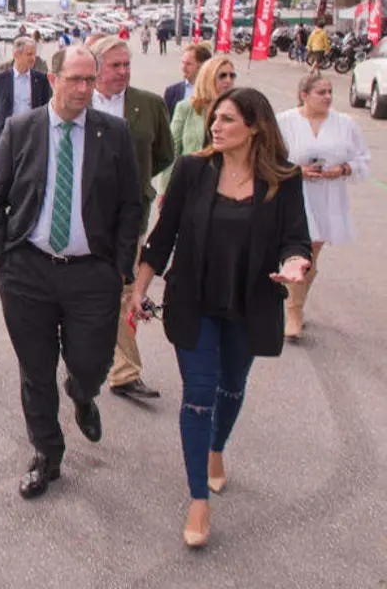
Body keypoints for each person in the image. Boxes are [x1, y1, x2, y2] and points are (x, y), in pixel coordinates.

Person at [128, 87, 312, 548]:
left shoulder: (283, 180)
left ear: (254, 126)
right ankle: (198, 502)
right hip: (194, 301)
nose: (216, 126)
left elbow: (296, 239)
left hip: (249, 305)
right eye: (215, 118)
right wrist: (140, 287)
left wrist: (294, 264)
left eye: (228, 119)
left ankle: (216, 450)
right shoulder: (192, 170)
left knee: (231, 388)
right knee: (199, 395)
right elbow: (163, 235)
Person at [0, 47, 143, 500]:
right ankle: (46, 454)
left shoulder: (112, 132)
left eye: (90, 80)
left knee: (91, 364)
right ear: (53, 80)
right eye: (75, 79)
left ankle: (83, 391)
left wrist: (121, 266)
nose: (84, 89)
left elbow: (132, 204)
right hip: (28, 270)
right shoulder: (21, 129)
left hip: (92, 274)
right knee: (35, 370)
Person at [90, 36, 175, 401]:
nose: (123, 72)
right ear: (96, 69)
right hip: (83, 214)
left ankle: (124, 371)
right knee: (88, 288)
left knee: (126, 289)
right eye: (115, 66)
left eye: (127, 65)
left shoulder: (149, 105)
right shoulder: (77, 99)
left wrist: (135, 185)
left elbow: (163, 154)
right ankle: (88, 355)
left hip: (130, 214)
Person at [276, 74, 371, 339]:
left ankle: (295, 308)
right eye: (321, 92)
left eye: (330, 92)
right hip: (295, 195)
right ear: (304, 95)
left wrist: (342, 169)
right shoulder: (285, 122)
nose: (328, 97)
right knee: (298, 253)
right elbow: (269, 157)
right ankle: (293, 309)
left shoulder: (345, 124)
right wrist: (297, 171)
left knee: (311, 255)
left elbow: (362, 159)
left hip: (327, 198)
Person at [158, 56, 236, 197]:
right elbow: (172, 149)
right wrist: (164, 189)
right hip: (192, 182)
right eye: (222, 76)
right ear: (208, 77)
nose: (228, 80)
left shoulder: (239, 109)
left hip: (226, 183)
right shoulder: (187, 107)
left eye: (232, 75)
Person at [0, 36, 53, 153]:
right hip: (5, 134)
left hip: (33, 136)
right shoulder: (1, 79)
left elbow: (46, 105)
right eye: (29, 54)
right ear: (16, 54)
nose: (33, 58)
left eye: (34, 54)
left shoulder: (41, 79)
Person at [164, 44, 213, 119]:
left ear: (203, 66)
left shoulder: (215, 91)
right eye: (183, 63)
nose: (183, 68)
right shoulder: (172, 92)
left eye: (188, 64)